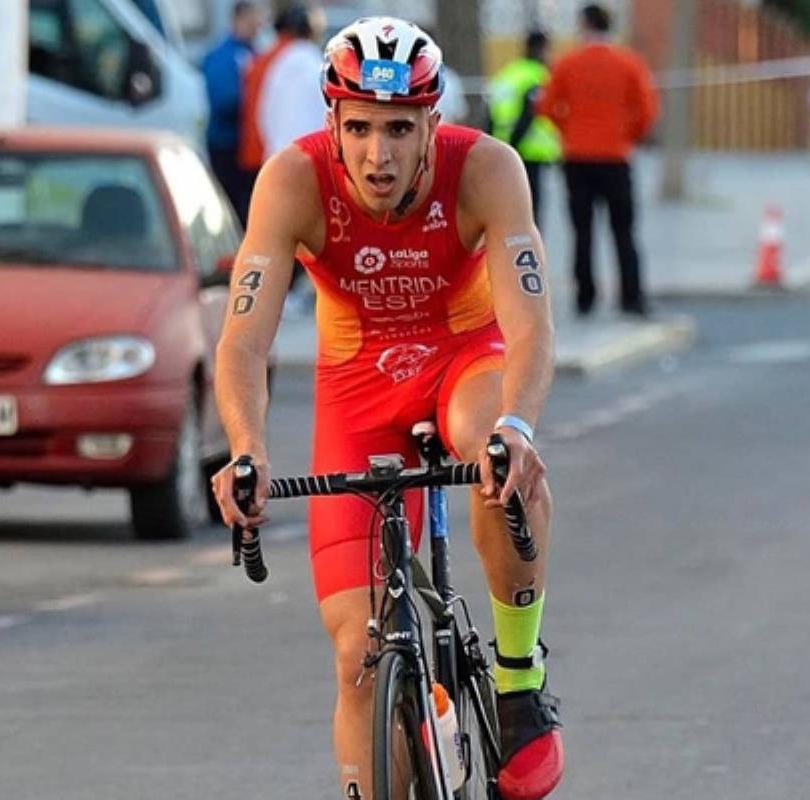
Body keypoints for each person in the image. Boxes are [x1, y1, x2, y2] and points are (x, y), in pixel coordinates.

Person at [212, 17, 563, 800]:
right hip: (356, 386)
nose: (379, 154)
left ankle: (516, 675)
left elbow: (531, 324)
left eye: (401, 129)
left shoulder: (487, 169)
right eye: (361, 128)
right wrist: (247, 448)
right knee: (354, 656)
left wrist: (518, 425)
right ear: (332, 121)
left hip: (463, 361)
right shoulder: (293, 180)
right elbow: (241, 343)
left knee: (495, 453)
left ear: (432, 125)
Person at [537, 3, 658, 318]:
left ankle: (585, 297)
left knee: (582, 231)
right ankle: (631, 297)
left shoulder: (567, 63)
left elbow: (547, 107)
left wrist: (570, 131)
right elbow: (647, 110)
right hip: (616, 158)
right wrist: (627, 136)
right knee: (623, 230)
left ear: (585, 25)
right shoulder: (629, 63)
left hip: (578, 158)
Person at [488, 30, 562, 225]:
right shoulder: (537, 76)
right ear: (540, 49)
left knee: (509, 210)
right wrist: (514, 147)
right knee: (530, 215)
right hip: (527, 151)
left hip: (503, 148)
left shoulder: (508, 73)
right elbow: (527, 116)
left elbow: (491, 111)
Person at [202, 1, 262, 223]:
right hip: (227, 145)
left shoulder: (254, 52)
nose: (256, 26)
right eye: (251, 21)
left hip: (246, 147)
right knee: (231, 208)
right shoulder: (223, 55)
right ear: (237, 20)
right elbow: (223, 101)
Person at [257, 4, 326, 159]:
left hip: (275, 157)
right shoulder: (317, 67)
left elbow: (264, 115)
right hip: (309, 160)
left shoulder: (277, 63)